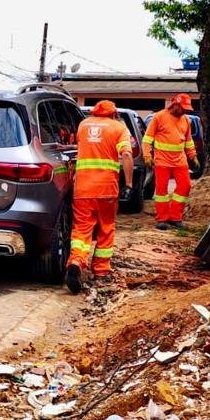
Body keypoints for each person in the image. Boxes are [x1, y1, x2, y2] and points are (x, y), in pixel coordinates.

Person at [65, 99, 133, 294]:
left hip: (83, 188)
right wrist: (128, 184)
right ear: (113, 114)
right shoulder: (118, 128)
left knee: (82, 229)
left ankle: (77, 261)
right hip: (106, 189)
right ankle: (101, 271)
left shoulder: (83, 125)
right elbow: (127, 155)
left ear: (94, 112)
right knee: (105, 227)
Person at [143, 93, 199, 230]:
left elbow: (188, 140)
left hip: (180, 160)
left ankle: (175, 217)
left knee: (185, 186)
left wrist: (193, 156)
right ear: (175, 105)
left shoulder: (186, 120)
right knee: (161, 191)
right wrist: (147, 155)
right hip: (162, 160)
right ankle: (162, 219)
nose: (185, 111)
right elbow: (147, 138)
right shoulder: (159, 117)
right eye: (183, 108)